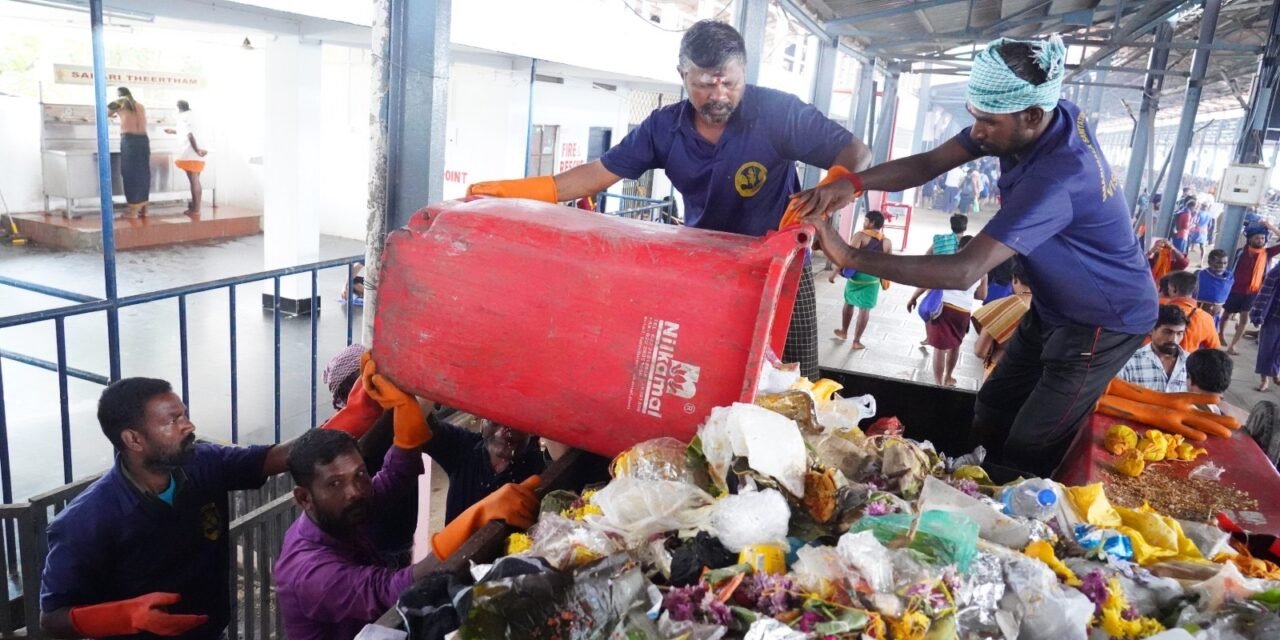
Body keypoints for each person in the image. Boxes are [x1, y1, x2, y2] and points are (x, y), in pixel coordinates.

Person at [790, 34, 1158, 476]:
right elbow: (928, 163)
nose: (977, 133)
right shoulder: (1041, 116)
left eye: (987, 122)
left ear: (1032, 116)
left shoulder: (1059, 178)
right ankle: (971, 480)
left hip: (1102, 319)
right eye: (974, 117)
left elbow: (964, 270)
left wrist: (849, 255)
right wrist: (851, 183)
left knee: (1032, 438)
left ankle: (1016, 507)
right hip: (1053, 304)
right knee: (994, 403)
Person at [466, 20, 871, 381]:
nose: (718, 95)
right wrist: (516, 191)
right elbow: (596, 175)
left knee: (796, 375)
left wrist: (835, 183)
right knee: (704, 372)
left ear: (743, 72)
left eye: (729, 83)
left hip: (782, 269)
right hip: (706, 268)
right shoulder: (663, 128)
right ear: (682, 75)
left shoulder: (779, 112)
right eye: (704, 84)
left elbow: (856, 152)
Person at [275, 374, 540, 639]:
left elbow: (393, 476)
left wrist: (405, 413)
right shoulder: (308, 572)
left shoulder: (344, 509)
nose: (354, 491)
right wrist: (470, 523)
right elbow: (390, 590)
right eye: (335, 484)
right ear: (303, 498)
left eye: (360, 474)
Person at [39, 377, 301, 639]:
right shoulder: (85, 521)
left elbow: (270, 458)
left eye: (184, 415)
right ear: (134, 439)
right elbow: (52, 620)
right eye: (173, 421)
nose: (188, 426)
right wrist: (124, 616)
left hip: (210, 630)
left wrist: (339, 422)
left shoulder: (202, 463)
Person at [908, 235, 987, 387]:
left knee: (939, 348)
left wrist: (914, 297)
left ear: (959, 248)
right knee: (955, 345)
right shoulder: (982, 269)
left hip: (943, 309)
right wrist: (968, 291)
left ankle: (938, 383)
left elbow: (929, 282)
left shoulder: (949, 264)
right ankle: (948, 377)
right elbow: (982, 295)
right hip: (963, 311)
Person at [830, 210, 892, 350]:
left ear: (872, 223)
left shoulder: (860, 236)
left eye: (865, 220)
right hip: (872, 280)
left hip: (856, 277)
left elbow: (847, 256)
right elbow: (890, 264)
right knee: (865, 310)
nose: (864, 223)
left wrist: (834, 273)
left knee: (848, 303)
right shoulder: (887, 242)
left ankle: (844, 331)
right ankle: (856, 341)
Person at [1223, 222, 1280, 355]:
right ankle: (1220, 334)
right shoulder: (1240, 252)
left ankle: (1233, 345)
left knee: (1244, 319)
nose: (1260, 240)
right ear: (1250, 239)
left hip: (1253, 293)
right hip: (1234, 290)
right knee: (1225, 315)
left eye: (1262, 238)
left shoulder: (1267, 253)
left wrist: (1270, 227)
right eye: (1257, 238)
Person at [972, 261, 1032, 378]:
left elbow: (980, 351)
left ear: (1015, 279)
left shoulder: (1004, 306)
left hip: (999, 374)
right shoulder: (1046, 311)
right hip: (1029, 378)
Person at [1117, 304, 1189, 393]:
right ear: (1151, 330)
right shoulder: (1129, 362)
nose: (1173, 339)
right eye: (1167, 332)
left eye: (1179, 333)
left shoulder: (1191, 363)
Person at [107, 87, 150, 217]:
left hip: (130, 141)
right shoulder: (140, 106)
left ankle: (133, 211)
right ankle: (144, 209)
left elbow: (104, 113)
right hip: (143, 140)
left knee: (130, 172)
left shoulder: (120, 103)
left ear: (119, 95)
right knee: (143, 172)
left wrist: (114, 114)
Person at [163, 100, 208, 214]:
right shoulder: (193, 115)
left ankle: (196, 210)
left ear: (179, 108)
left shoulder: (183, 117)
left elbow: (190, 134)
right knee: (196, 180)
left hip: (192, 152)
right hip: (198, 151)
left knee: (194, 181)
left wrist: (196, 150)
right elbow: (188, 131)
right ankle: (195, 207)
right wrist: (173, 131)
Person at [1161, 270, 1221, 351]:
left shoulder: (1158, 309)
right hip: (1188, 361)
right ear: (1194, 290)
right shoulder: (1205, 318)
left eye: (1168, 288)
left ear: (1174, 289)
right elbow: (1214, 349)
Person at [1251, 264, 1280, 391]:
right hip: (1272, 317)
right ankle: (1264, 380)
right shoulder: (1275, 273)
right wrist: (1257, 313)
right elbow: (1264, 294)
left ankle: (1276, 372)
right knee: (1266, 348)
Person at [1196, 248, 1234, 323]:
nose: (1222, 266)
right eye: (1219, 263)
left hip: (1215, 318)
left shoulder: (1229, 278)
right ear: (1210, 262)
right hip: (1199, 316)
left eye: (1225, 263)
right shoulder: (1200, 276)